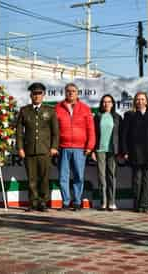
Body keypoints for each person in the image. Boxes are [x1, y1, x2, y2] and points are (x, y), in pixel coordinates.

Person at [16, 82, 58, 212]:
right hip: (29, 150)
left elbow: (55, 131)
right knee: (31, 179)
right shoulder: (24, 110)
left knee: (44, 178)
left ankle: (43, 202)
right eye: (34, 94)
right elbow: (18, 131)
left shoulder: (50, 110)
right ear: (30, 95)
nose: (37, 96)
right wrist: (20, 148)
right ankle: (33, 202)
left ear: (43, 95)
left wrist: (54, 147)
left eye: (39, 94)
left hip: (45, 150)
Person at [55, 83, 95, 211]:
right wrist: (54, 146)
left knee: (79, 176)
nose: (70, 93)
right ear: (65, 93)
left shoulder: (85, 108)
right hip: (63, 147)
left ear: (77, 93)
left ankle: (77, 201)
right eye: (68, 91)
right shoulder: (58, 108)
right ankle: (66, 202)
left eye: (73, 91)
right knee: (63, 176)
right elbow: (54, 130)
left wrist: (89, 146)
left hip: (80, 148)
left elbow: (91, 129)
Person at [122, 91, 148, 213]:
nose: (140, 101)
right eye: (138, 99)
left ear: (147, 101)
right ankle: (137, 204)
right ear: (134, 102)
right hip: (135, 152)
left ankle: (145, 204)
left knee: (146, 179)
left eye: (142, 99)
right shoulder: (129, 115)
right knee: (137, 179)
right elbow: (124, 135)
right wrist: (125, 151)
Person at [92, 94, 122, 211]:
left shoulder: (117, 117)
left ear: (113, 103)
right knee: (101, 176)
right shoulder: (97, 117)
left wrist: (120, 151)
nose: (106, 104)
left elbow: (120, 135)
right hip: (100, 150)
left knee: (112, 176)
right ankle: (103, 202)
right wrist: (93, 150)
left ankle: (112, 201)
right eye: (104, 102)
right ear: (101, 104)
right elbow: (94, 134)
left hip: (113, 151)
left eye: (109, 102)